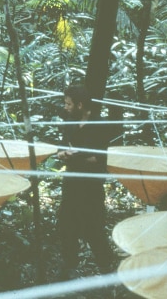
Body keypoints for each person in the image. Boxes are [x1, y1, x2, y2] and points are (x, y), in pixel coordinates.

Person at [56, 85, 116, 276]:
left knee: (94, 227)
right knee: (67, 225)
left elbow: (97, 159)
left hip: (90, 186)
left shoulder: (99, 125)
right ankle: (69, 266)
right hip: (71, 182)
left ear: (80, 105)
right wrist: (64, 154)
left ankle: (106, 270)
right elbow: (61, 149)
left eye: (69, 104)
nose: (65, 107)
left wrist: (73, 156)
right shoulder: (70, 122)